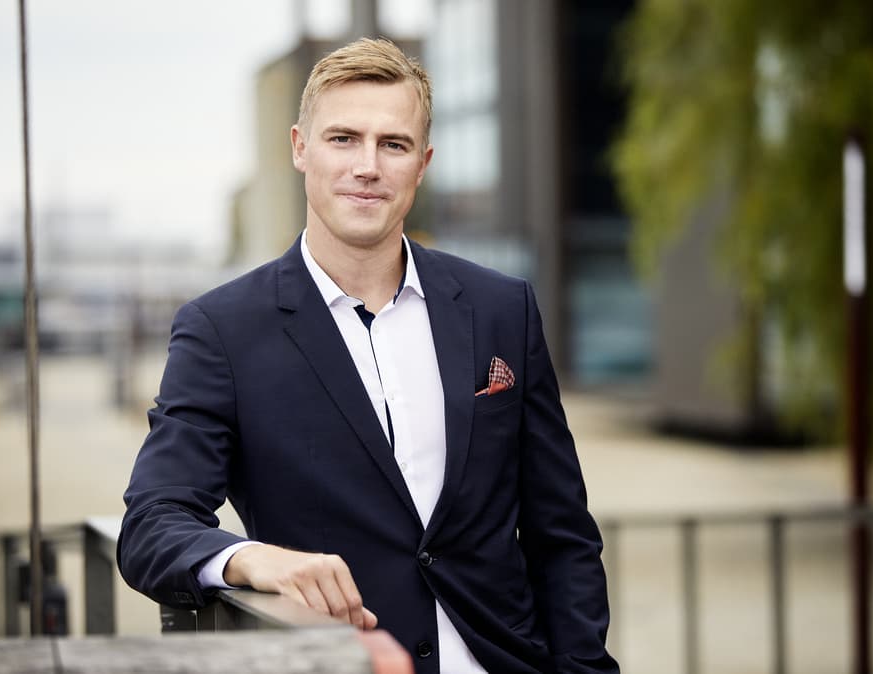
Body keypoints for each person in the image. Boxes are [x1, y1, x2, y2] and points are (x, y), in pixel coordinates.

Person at [117, 37, 618, 674]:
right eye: (343, 139)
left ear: (423, 163)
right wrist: (251, 558)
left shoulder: (503, 308)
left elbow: (563, 533)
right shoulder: (221, 330)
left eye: (394, 144)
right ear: (300, 147)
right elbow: (153, 522)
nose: (368, 166)